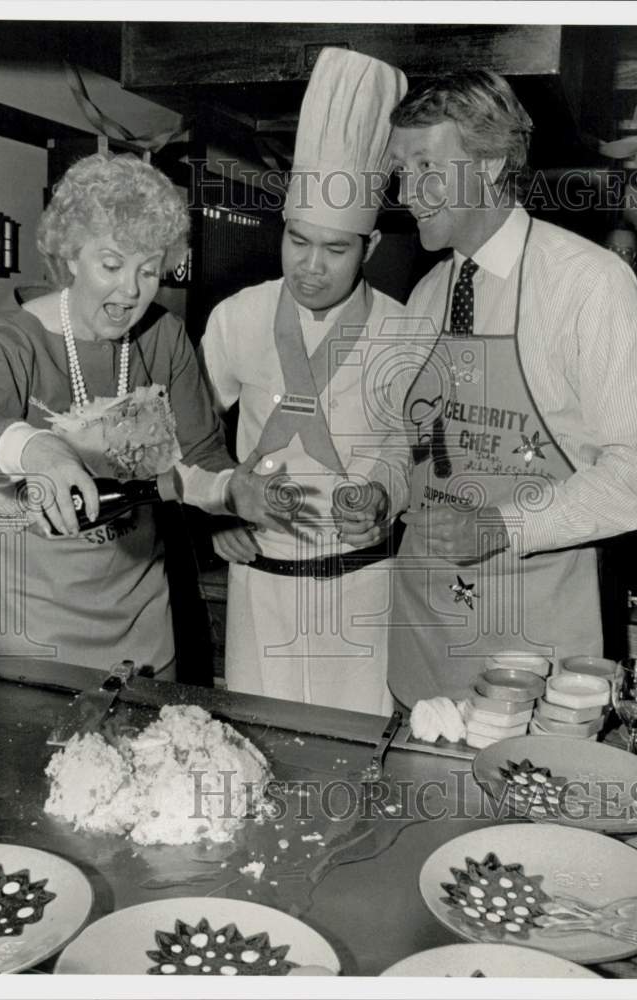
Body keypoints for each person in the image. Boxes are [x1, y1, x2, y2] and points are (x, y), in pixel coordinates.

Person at [384, 71, 637, 704]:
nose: (405, 192)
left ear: (488, 166)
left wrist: (501, 526)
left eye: (425, 166)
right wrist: (375, 491)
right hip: (422, 632)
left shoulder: (587, 283)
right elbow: (420, 450)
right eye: (399, 170)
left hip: (530, 646)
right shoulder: (428, 292)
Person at [0, 152, 282, 673]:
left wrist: (230, 491)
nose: (131, 289)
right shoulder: (16, 341)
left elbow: (200, 454)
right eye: (111, 264)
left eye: (148, 270)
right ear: (71, 255)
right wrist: (37, 447)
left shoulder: (163, 337)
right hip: (38, 621)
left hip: (142, 611)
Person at [200, 49, 410, 714]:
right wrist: (223, 503)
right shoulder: (236, 319)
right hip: (259, 588)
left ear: (370, 247)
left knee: (361, 767)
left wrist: (383, 492)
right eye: (297, 241)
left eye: (336, 248)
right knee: (261, 756)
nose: (310, 267)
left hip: (364, 587)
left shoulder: (406, 331)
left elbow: (414, 449)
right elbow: (180, 443)